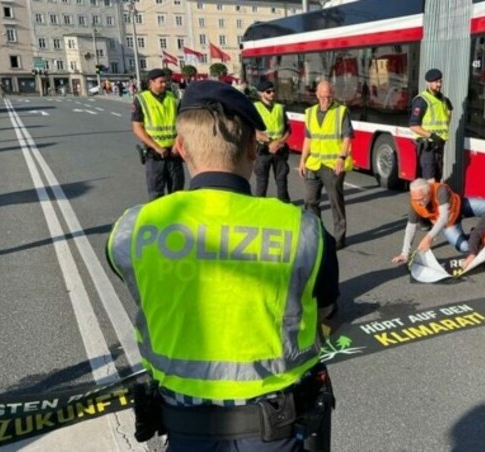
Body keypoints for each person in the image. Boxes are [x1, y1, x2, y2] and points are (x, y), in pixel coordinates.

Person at [107, 80, 339, 452]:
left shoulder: (132, 230)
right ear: (252, 146)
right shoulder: (302, 229)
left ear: (181, 148)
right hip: (276, 430)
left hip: (182, 428)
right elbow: (327, 309)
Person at [298, 80, 354, 249]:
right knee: (310, 200)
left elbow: (347, 136)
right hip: (314, 163)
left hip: (332, 164)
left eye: (328, 97)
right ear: (316, 95)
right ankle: (317, 233)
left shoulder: (341, 112)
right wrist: (302, 160)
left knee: (335, 201)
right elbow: (308, 138)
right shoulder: (310, 112)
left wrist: (341, 157)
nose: (325, 100)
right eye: (322, 97)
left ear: (333, 94)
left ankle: (339, 237)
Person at [391, 178, 485, 264]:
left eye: (420, 199)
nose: (418, 203)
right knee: (465, 247)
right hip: (450, 224)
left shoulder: (441, 190)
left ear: (428, 193)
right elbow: (410, 228)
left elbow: (443, 217)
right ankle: (476, 236)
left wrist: (428, 238)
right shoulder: (415, 203)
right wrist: (405, 253)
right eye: (414, 199)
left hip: (462, 206)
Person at [132, 68, 184, 200]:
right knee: (156, 195)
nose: (164, 85)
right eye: (161, 82)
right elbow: (137, 128)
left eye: (165, 82)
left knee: (177, 193)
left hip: (174, 153)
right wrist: (156, 147)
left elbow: (182, 124)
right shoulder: (141, 99)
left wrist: (176, 146)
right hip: (155, 155)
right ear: (151, 82)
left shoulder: (174, 98)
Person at [252, 80, 292, 202]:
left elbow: (288, 129)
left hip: (279, 149)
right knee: (262, 182)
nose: (272, 94)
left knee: (282, 180)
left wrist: (280, 142)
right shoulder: (255, 108)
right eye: (268, 92)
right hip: (263, 149)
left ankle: (284, 206)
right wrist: (270, 142)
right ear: (261, 94)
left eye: (273, 91)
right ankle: (260, 207)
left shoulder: (280, 108)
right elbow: (254, 130)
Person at [409, 69, 453, 182]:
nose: (439, 84)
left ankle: (432, 200)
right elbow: (414, 125)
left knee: (437, 180)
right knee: (430, 182)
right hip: (427, 148)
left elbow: (446, 120)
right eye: (436, 82)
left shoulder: (444, 100)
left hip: (439, 146)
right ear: (429, 83)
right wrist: (432, 136)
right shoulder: (421, 101)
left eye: (440, 81)